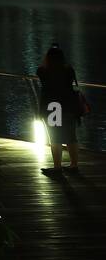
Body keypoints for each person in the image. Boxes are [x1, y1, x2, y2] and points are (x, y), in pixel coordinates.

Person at [36, 43, 81, 176]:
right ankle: (74, 165)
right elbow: (72, 84)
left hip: (53, 107)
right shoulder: (69, 70)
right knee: (71, 137)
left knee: (55, 138)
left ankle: (57, 167)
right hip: (69, 106)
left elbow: (41, 73)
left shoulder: (43, 71)